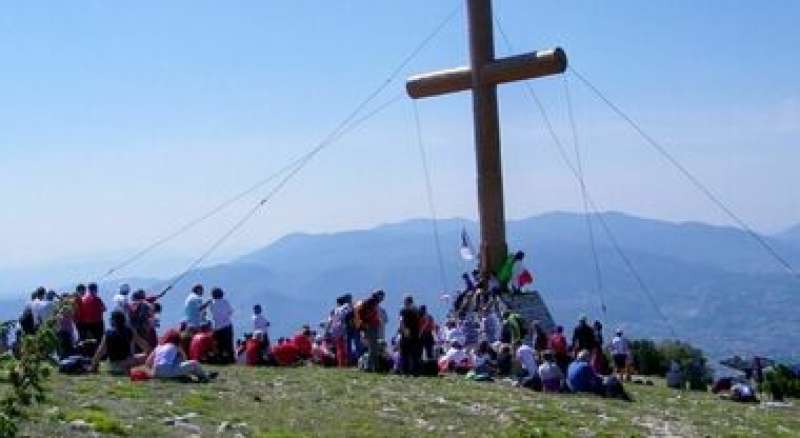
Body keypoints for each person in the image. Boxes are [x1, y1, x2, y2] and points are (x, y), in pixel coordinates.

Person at [90, 310, 151, 375]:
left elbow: (100, 352)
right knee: (146, 356)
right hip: (125, 363)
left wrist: (93, 366)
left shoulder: (107, 333)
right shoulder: (129, 331)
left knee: (134, 357)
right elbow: (144, 346)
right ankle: (127, 368)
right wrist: (150, 354)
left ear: (112, 321)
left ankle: (124, 367)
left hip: (112, 366)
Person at [146, 329, 215, 382]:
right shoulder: (175, 346)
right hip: (166, 371)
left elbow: (148, 363)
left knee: (176, 363)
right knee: (194, 363)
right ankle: (205, 377)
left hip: (155, 373)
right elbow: (184, 359)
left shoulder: (158, 347)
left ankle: (201, 375)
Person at [356, 290, 384, 372]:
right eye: (381, 296)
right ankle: (369, 367)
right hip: (370, 327)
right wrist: (365, 322)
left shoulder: (373, 302)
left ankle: (374, 366)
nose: (382, 299)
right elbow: (361, 312)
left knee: (373, 347)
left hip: (372, 326)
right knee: (373, 348)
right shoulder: (370, 302)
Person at [209, 287, 234, 364]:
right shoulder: (225, 302)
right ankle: (231, 359)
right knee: (229, 344)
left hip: (217, 327)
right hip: (227, 325)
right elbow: (230, 312)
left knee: (220, 344)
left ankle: (220, 359)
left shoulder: (211, 303)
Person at [398, 295, 422, 375]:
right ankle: (415, 371)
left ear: (406, 302)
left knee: (404, 353)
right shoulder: (417, 310)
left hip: (407, 334)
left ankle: (405, 371)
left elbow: (401, 321)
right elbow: (421, 322)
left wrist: (404, 330)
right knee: (415, 354)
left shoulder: (403, 310)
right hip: (416, 334)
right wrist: (419, 333)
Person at [79, 283, 107, 352]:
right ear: (95, 289)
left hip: (86, 323)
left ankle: (89, 353)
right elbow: (104, 308)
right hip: (97, 322)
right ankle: (101, 354)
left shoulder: (82, 299)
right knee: (100, 340)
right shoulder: (97, 299)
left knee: (88, 340)